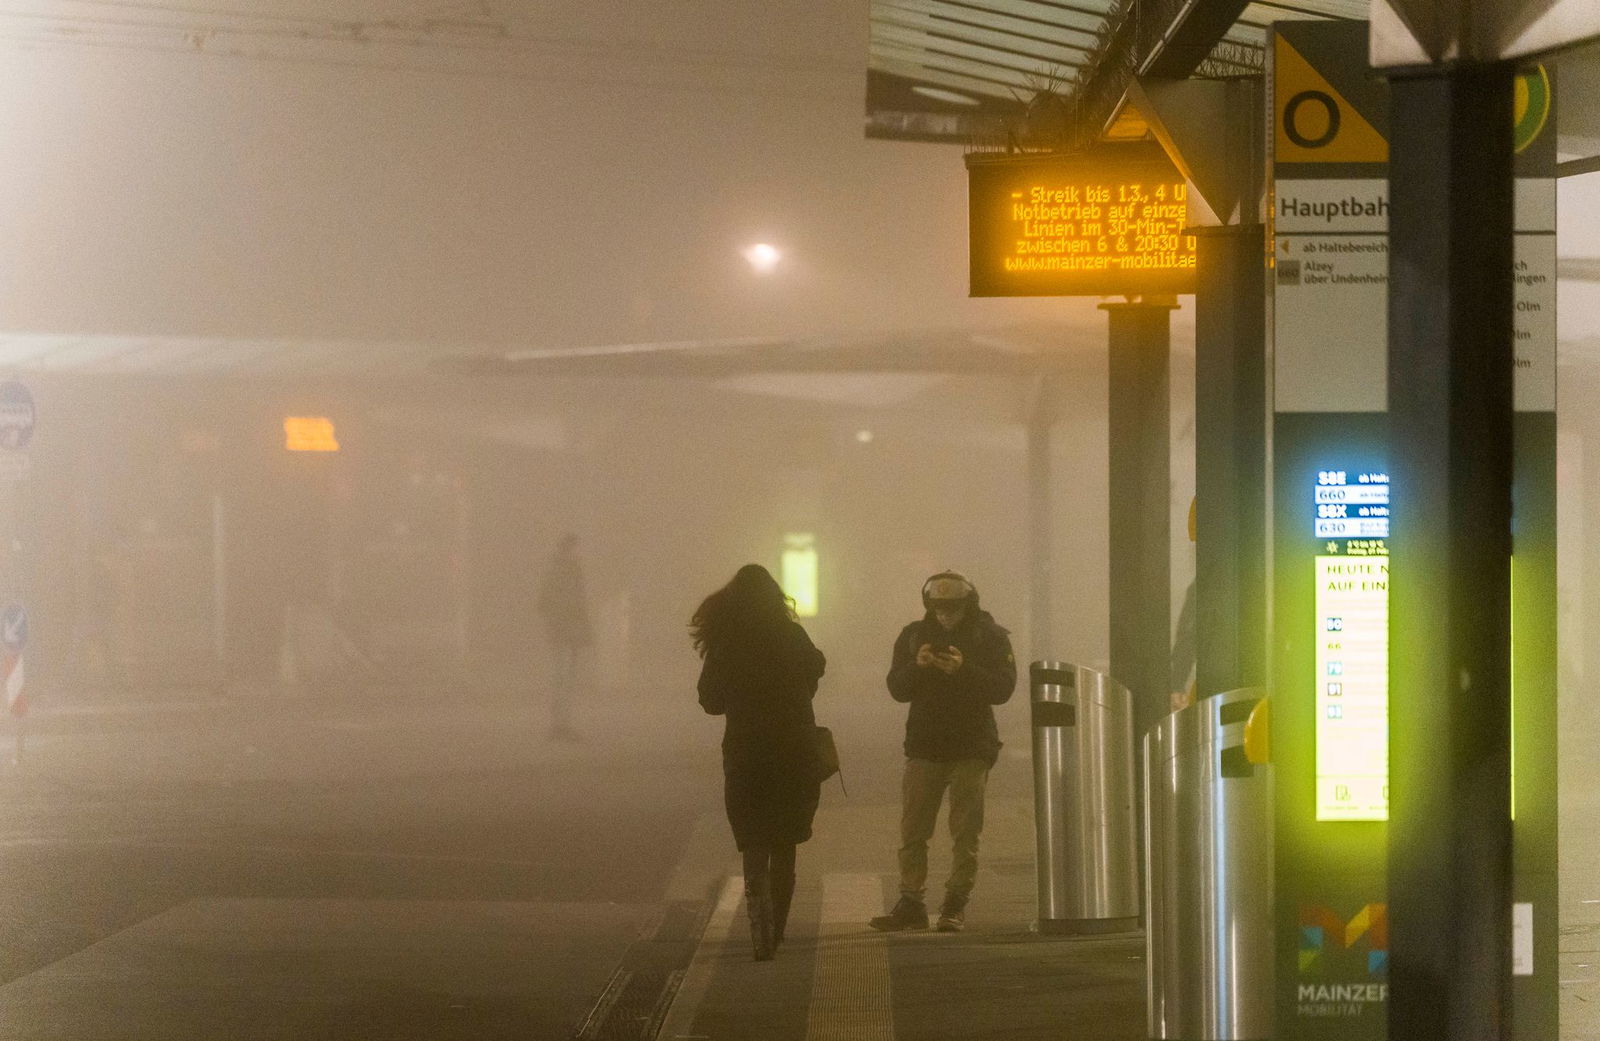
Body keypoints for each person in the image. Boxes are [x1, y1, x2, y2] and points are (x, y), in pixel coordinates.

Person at [693, 564, 826, 961]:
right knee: (785, 840)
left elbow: (710, 701)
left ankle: (757, 922)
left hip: (747, 751)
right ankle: (779, 927)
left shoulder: (727, 644)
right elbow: (817, 667)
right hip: (795, 747)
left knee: (754, 836)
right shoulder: (791, 634)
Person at [870, 571, 1016, 934]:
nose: (946, 615)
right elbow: (897, 688)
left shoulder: (991, 637)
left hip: (971, 746)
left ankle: (955, 903)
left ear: (969, 605)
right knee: (913, 830)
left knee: (965, 832)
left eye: (953, 608)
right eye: (939, 608)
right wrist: (915, 666)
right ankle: (911, 901)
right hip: (925, 745)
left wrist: (964, 670)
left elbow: (1003, 689)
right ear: (928, 605)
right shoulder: (914, 636)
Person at [538, 533, 594, 741]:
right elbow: (546, 602)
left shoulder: (571, 571)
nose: (580, 553)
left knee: (565, 678)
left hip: (568, 632)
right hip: (562, 632)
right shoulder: (558, 571)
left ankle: (562, 723)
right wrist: (558, 624)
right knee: (560, 677)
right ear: (569, 549)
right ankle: (558, 725)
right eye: (577, 549)